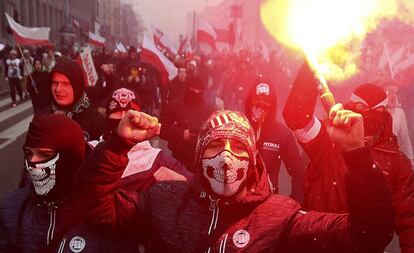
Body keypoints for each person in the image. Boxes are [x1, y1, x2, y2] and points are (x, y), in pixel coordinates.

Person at [74, 108, 393, 252]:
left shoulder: (279, 216)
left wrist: (357, 156)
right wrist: (117, 146)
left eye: (238, 147)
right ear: (200, 155)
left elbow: (367, 236)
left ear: (252, 158)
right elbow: (95, 207)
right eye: (215, 145)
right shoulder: (164, 200)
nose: (226, 156)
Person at [283, 62, 414, 253]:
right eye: (361, 107)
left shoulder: (397, 161)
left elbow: (410, 219)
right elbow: (297, 119)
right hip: (319, 242)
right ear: (352, 108)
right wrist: (309, 69)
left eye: (377, 111)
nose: (368, 116)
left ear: (385, 113)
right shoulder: (328, 139)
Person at [0, 115, 138, 252]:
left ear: (70, 156)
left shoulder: (106, 211)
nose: (32, 163)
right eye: (29, 154)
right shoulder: (12, 209)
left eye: (45, 154)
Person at [99, 87, 193, 191]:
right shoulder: (90, 150)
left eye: (129, 114)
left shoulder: (157, 158)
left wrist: (182, 181)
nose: (123, 119)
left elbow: (197, 188)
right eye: (117, 112)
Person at [245, 79, 305, 202]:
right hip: (238, 204)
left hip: (267, 203)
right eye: (257, 100)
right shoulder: (236, 126)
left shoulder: (282, 133)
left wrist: (295, 203)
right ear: (249, 102)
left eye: (266, 101)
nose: (261, 104)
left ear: (273, 105)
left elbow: (298, 172)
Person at [37, 60, 105, 142]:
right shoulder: (41, 118)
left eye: (65, 84)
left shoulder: (96, 121)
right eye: (55, 83)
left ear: (77, 86)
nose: (58, 89)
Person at [160, 76, 216, 170]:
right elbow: (162, 129)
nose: (196, 92)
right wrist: (181, 133)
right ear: (188, 87)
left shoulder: (208, 109)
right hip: (178, 156)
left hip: (200, 158)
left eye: (199, 89)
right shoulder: (174, 106)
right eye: (193, 88)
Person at [386, 85, 414, 164]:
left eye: (396, 93)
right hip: (381, 157)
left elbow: (404, 138)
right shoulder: (379, 112)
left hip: (394, 156)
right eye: (390, 92)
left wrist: (410, 158)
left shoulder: (400, 113)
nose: (393, 95)